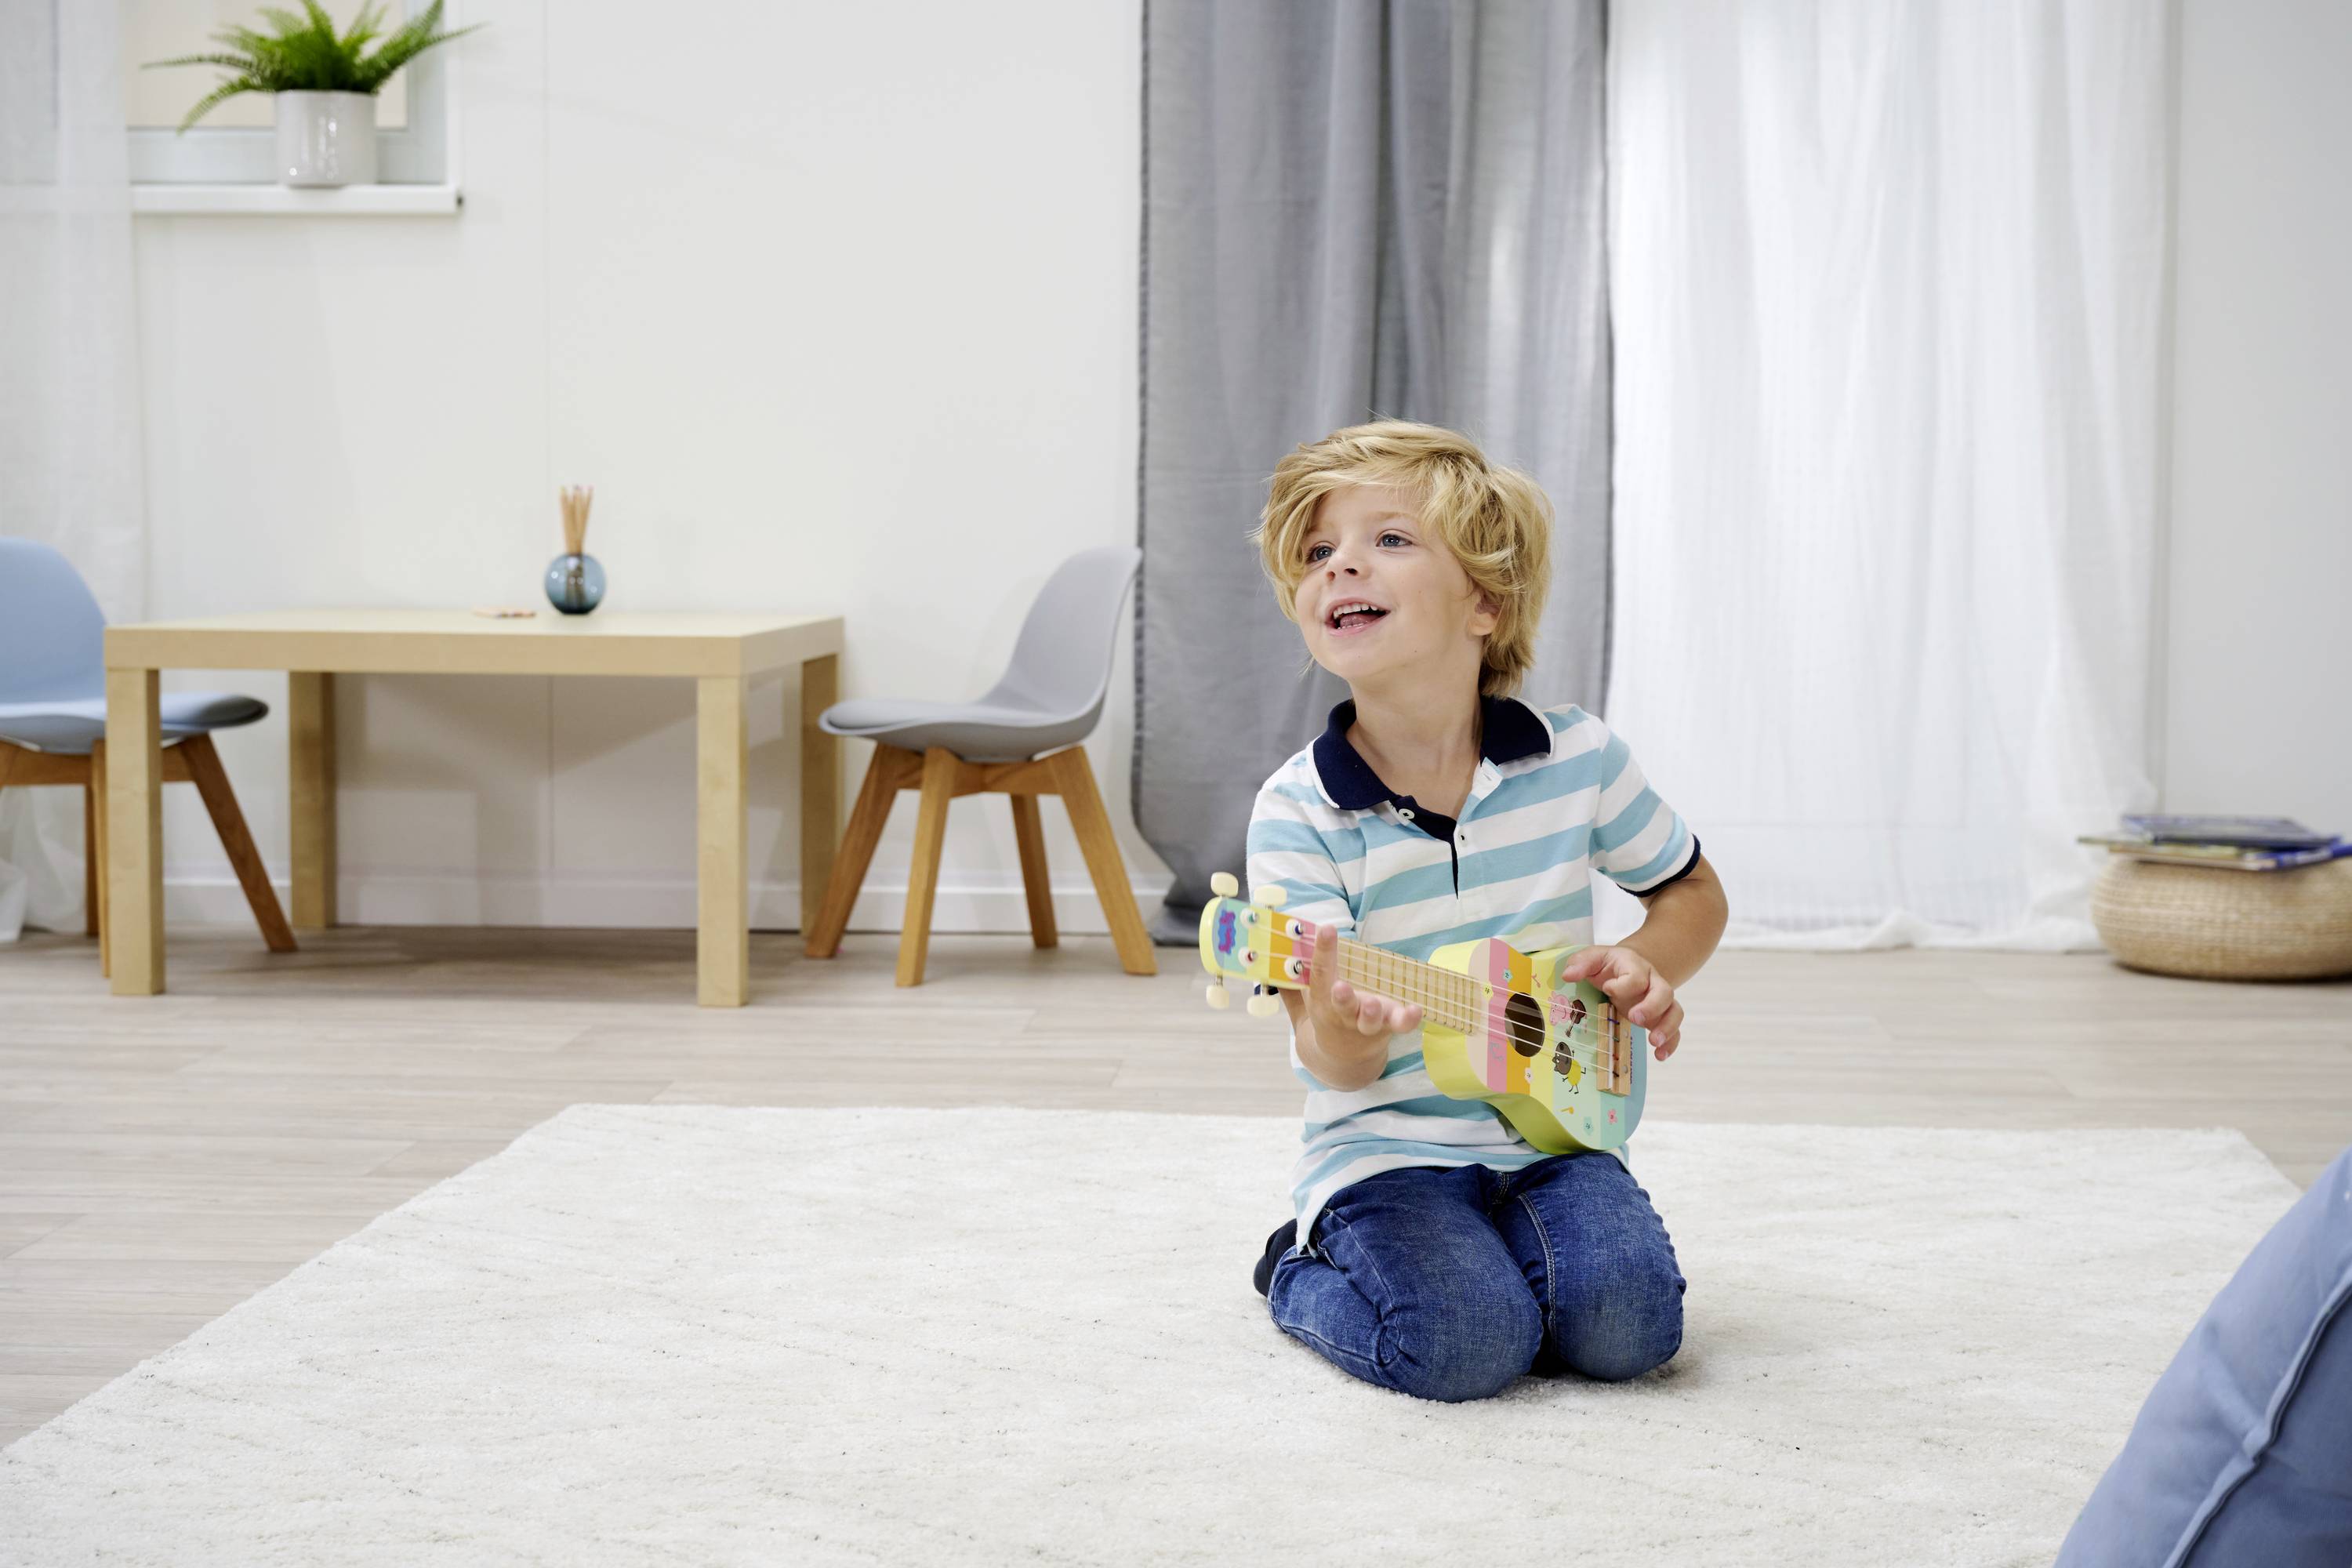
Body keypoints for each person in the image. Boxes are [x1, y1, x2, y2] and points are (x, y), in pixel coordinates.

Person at [1241, 420, 1730, 1402]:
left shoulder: (1578, 757)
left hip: (1556, 1129)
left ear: (1486, 603)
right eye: (1317, 551)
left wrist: (1646, 961)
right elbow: (1337, 1060)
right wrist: (1342, 1022)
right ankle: (1294, 1265)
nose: (1340, 567)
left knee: (1631, 1333)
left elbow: (1692, 891)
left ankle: (1508, 1256)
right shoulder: (1299, 809)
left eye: (1387, 540)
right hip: (1385, 1147)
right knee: (1465, 1348)